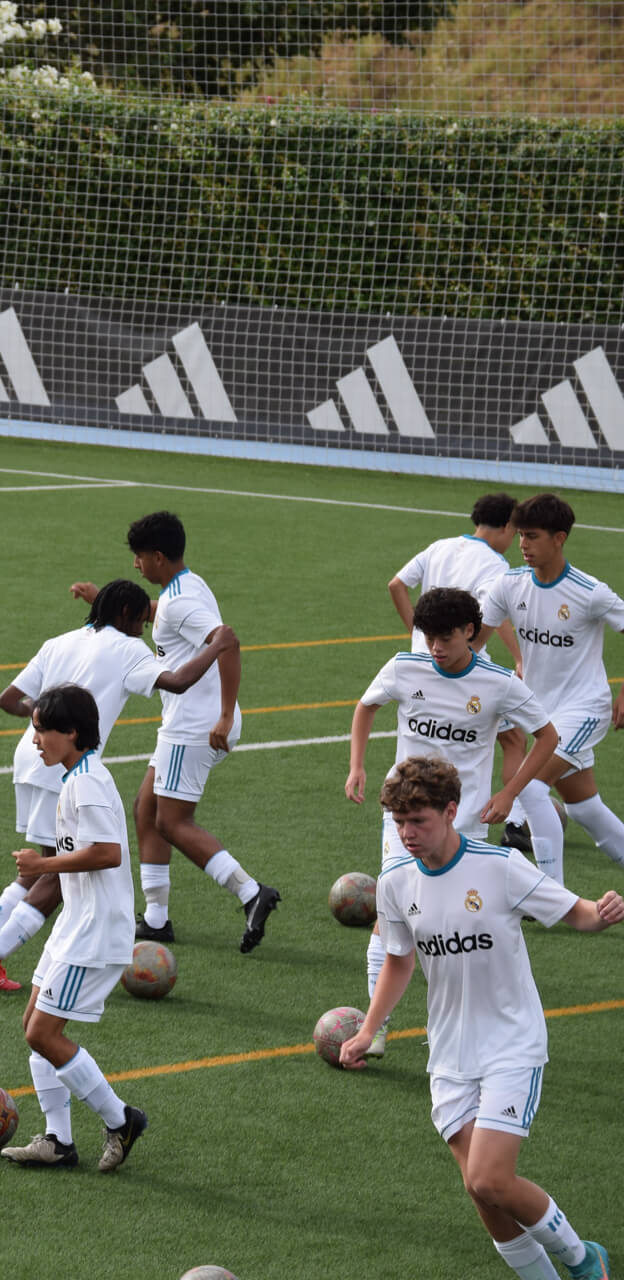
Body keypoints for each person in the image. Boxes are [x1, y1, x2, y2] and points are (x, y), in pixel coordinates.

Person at [340, 756, 619, 1280]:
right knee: (481, 1193)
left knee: (490, 1178)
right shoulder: (395, 882)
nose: (407, 833)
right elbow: (399, 960)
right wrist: (369, 1029)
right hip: (449, 1054)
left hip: (511, 1042)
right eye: (400, 822)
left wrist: (600, 914)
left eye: (418, 820)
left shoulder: (499, 867)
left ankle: (584, 1260)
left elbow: (574, 911)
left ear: (451, 811)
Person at [0, 580, 237, 990]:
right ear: (125, 615)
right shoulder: (128, 649)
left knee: (48, 860)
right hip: (62, 765)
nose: (144, 629)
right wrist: (217, 646)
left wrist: (42, 724)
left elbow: (8, 700)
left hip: (31, 755)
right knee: (60, 874)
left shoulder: (60, 641)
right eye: (141, 621)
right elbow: (177, 682)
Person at [345, 587, 557, 1056]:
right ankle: (375, 1028)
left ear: (470, 632)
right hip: (405, 816)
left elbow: (547, 736)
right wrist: (357, 765)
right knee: (392, 912)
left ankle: (469, 1020)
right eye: (429, 637)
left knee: (461, 921)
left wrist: (510, 793)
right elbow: (366, 707)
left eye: (446, 638)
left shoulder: (498, 683)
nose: (436, 647)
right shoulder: (406, 667)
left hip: (466, 823)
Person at [72, 511, 280, 952]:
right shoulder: (183, 588)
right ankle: (156, 918)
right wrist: (104, 599)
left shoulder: (181, 601)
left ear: (159, 557)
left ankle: (251, 892)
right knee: (146, 809)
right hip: (186, 723)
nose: (135, 564)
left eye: (140, 557)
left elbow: (227, 641)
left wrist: (225, 715)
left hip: (195, 726)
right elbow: (163, 615)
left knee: (171, 821)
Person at [0, 685, 149, 1173]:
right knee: (33, 1028)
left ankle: (121, 1119)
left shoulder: (87, 783)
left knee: (44, 1032)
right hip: (75, 923)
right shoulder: (75, 778)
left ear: (72, 732)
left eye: (42, 730)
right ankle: (58, 1140)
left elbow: (108, 852)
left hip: (95, 929)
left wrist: (42, 866)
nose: (35, 739)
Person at [478, 493, 624, 883]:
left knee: (529, 789)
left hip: (585, 710)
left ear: (559, 538)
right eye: (520, 535)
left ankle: (551, 895)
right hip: (542, 715)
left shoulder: (589, 592)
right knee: (584, 809)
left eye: (533, 536)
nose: (522, 544)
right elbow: (475, 644)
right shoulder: (509, 584)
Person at [385, 492, 531, 850]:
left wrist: (419, 635)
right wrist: (518, 657)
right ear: (507, 527)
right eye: (516, 533)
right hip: (463, 667)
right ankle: (513, 820)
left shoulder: (440, 546)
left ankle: (424, 816)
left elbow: (396, 585)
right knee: (512, 739)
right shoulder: (495, 565)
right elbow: (496, 614)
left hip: (423, 663)